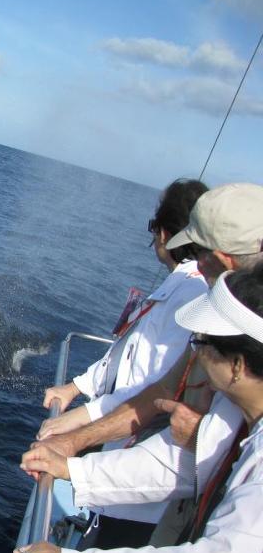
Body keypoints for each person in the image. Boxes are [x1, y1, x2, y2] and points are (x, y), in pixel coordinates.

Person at [14, 265, 263, 553]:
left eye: (201, 343)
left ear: (237, 366)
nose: (194, 355)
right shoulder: (237, 409)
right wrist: (74, 470)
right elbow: (182, 466)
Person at [35, 183, 263, 465]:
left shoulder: (196, 297)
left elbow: (160, 387)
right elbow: (146, 365)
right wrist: (77, 391)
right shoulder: (187, 285)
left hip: (146, 456)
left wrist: (79, 435)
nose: (199, 264)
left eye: (203, 254)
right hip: (133, 451)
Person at [37, 179, 209, 545]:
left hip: (141, 491)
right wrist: (76, 388)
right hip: (125, 466)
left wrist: (76, 430)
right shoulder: (179, 289)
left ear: (164, 233)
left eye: (154, 228)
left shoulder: (189, 297)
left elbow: (154, 392)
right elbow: (128, 354)